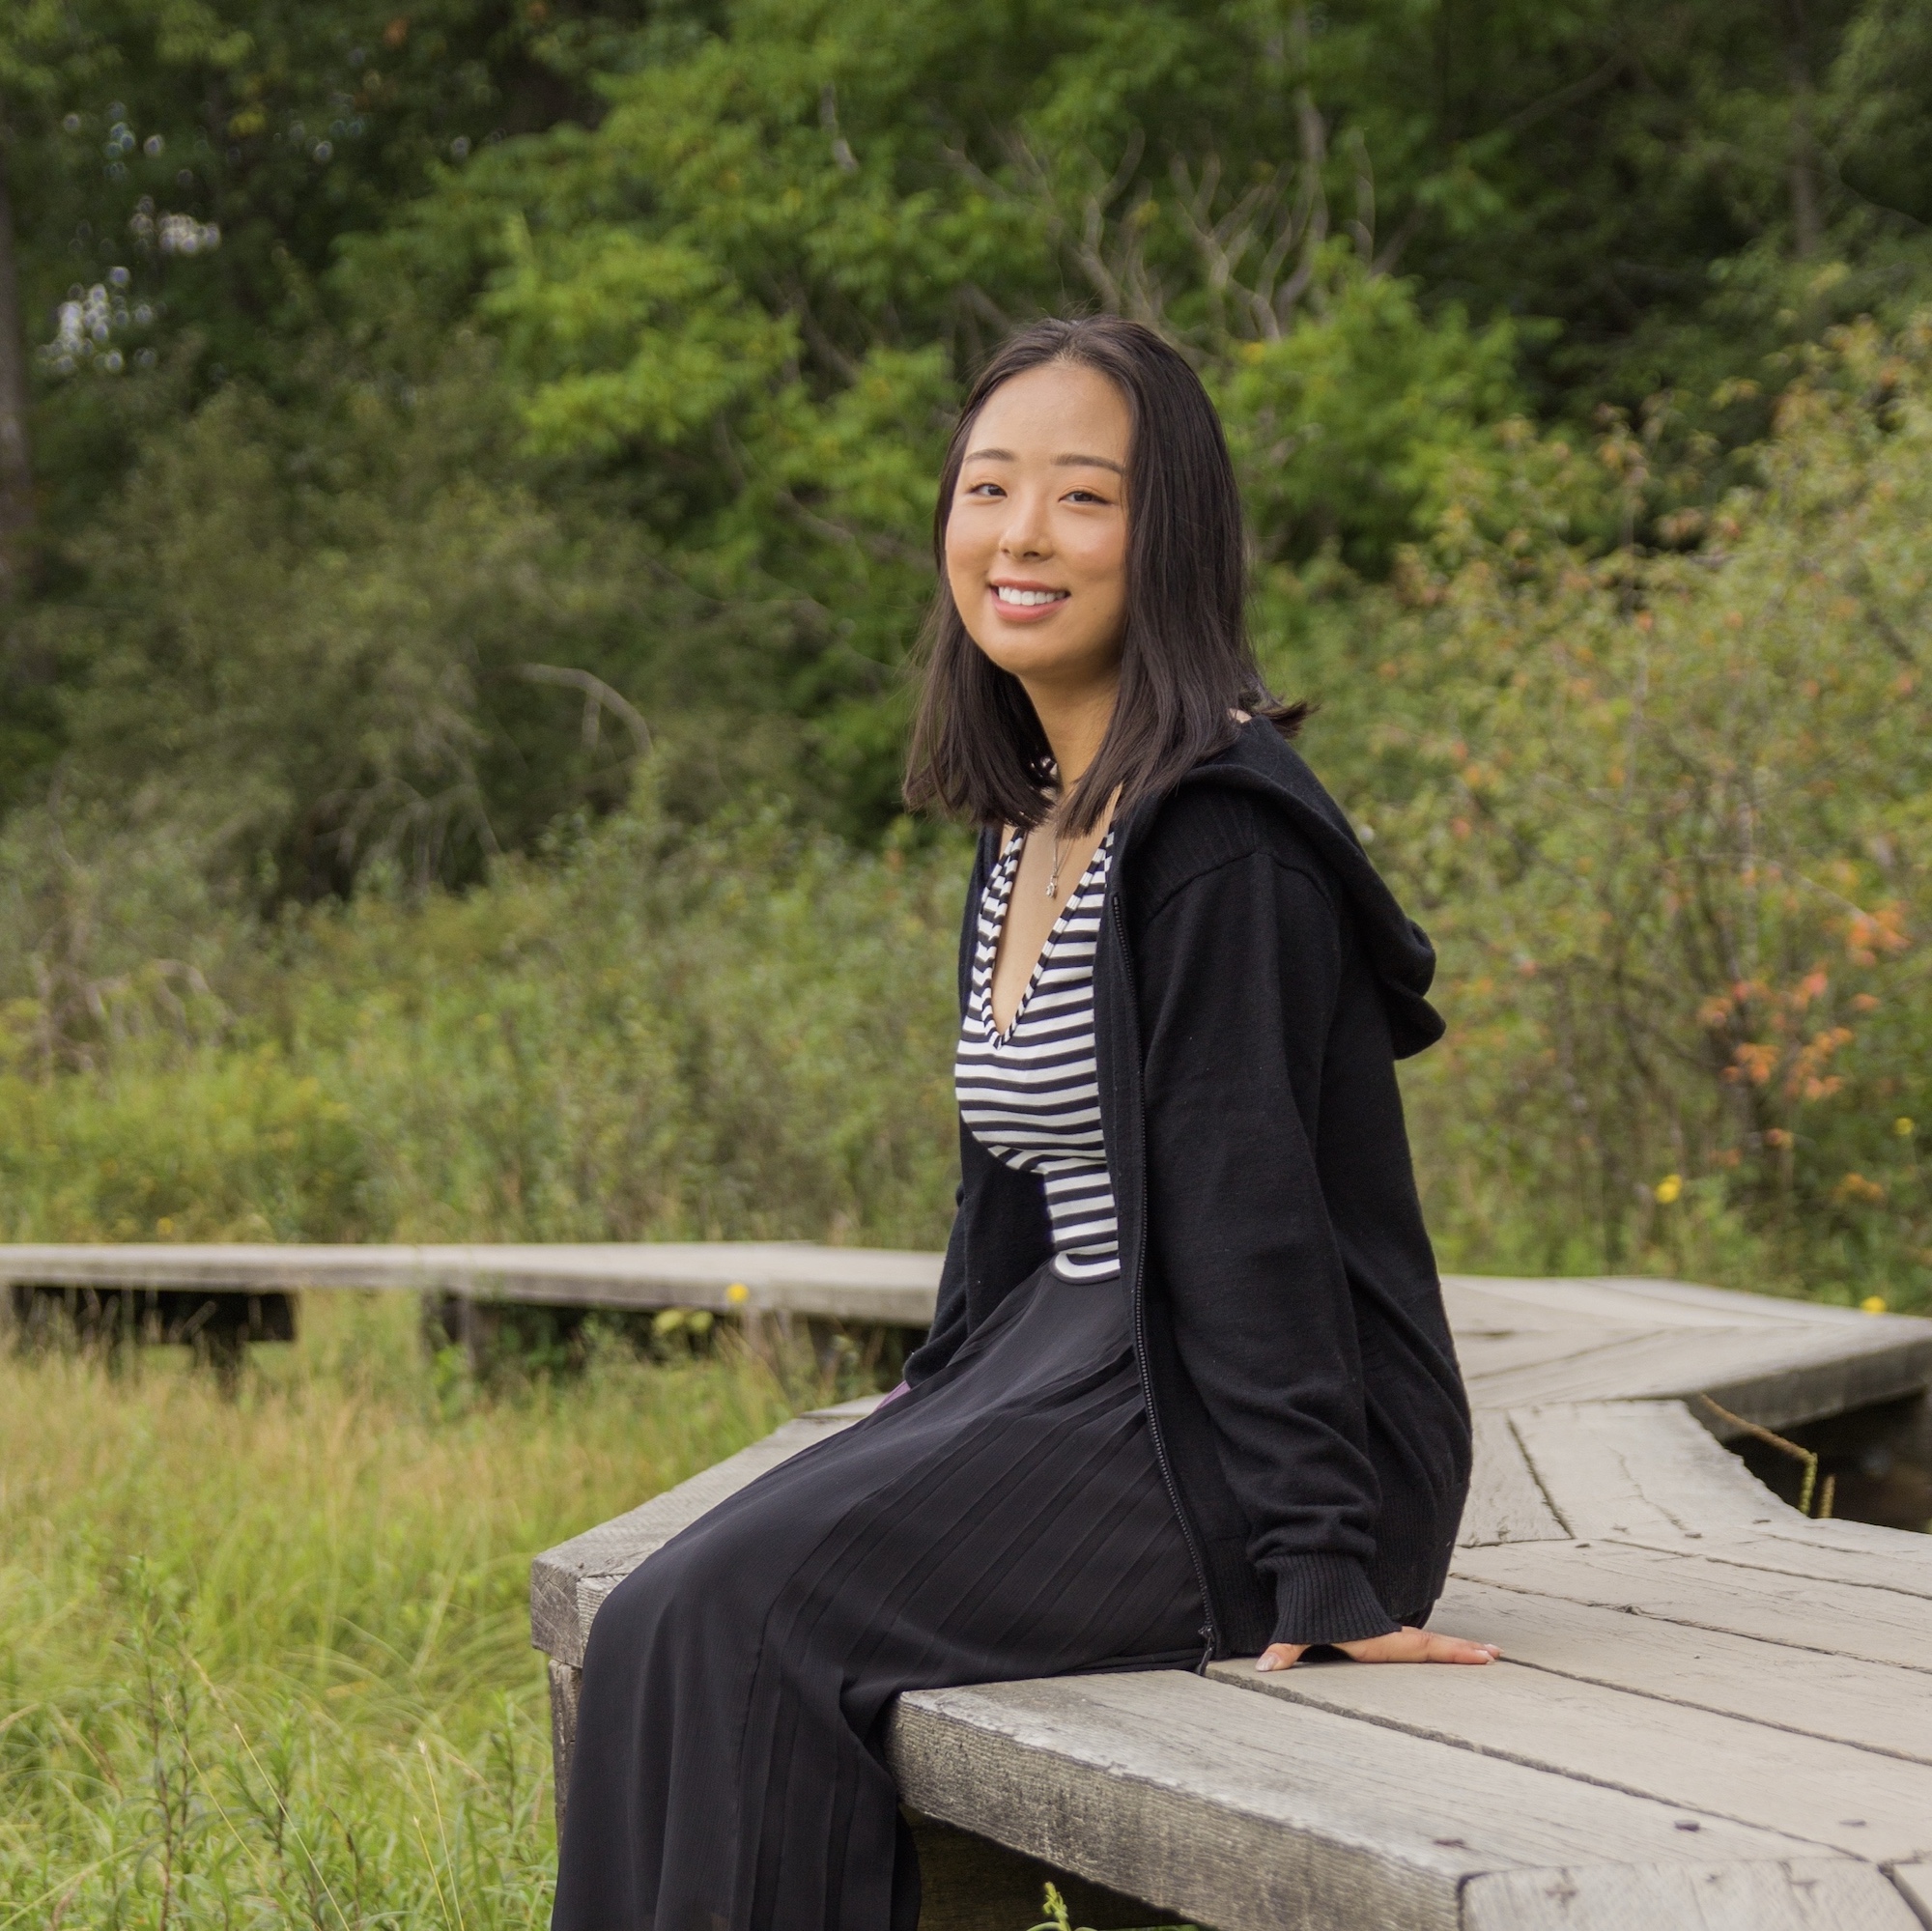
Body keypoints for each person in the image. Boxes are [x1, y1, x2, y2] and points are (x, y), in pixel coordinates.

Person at [551, 315, 1491, 1931]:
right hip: (1077, 1374)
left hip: (1246, 1451)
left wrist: (1329, 1567)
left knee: (743, 1618)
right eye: (988, 488)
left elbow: (1254, 1216)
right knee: (649, 1611)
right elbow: (1006, 1202)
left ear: (1173, 537)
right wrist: (930, 1408)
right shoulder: (1035, 827)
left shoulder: (1220, 838)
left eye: (1084, 497)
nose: (1022, 536)